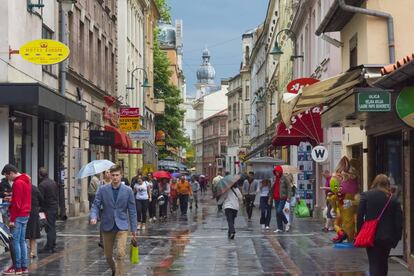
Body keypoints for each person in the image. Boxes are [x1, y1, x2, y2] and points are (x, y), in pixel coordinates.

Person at [90, 164, 137, 276]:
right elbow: (95, 204)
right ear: (110, 176)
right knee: (107, 256)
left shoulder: (128, 190)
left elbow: (132, 211)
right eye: (113, 175)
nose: (115, 177)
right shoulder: (102, 189)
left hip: (122, 226)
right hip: (107, 225)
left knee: (121, 254)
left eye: (117, 175)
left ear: (121, 176)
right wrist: (93, 216)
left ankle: (118, 274)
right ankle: (115, 269)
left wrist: (134, 229)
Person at [356, 174, 402, 276]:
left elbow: (359, 216)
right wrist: (396, 238)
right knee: (383, 262)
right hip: (388, 237)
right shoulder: (393, 199)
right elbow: (399, 221)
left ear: (374, 183)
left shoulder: (366, 196)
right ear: (387, 184)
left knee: (374, 263)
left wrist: (359, 233)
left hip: (371, 236)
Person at [1, 164, 32, 275]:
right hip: (25, 213)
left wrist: (12, 219)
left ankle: (17, 267)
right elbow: (23, 198)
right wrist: (13, 198)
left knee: (15, 242)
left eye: (7, 176)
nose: (8, 179)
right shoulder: (26, 180)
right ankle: (24, 267)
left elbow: (17, 204)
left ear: (11, 173)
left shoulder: (17, 183)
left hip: (18, 215)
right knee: (22, 241)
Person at [38, 167, 59, 254]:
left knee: (49, 227)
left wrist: (40, 208)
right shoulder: (53, 182)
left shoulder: (42, 185)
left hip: (48, 208)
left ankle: (49, 246)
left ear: (40, 175)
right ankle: (52, 245)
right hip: (54, 207)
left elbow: (40, 198)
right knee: (52, 226)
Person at [269, 165, 291, 233]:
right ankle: (280, 228)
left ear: (280, 171)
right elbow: (272, 189)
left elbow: (289, 187)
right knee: (277, 213)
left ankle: (287, 223)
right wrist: (270, 198)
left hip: (282, 197)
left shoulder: (284, 178)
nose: (276, 173)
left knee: (279, 211)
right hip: (276, 197)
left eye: (277, 171)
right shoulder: (275, 178)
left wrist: (288, 197)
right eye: (275, 172)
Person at [25, 183, 43, 258]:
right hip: (33, 211)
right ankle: (32, 251)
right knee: (32, 233)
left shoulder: (21, 187)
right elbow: (41, 200)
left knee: (22, 233)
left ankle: (24, 251)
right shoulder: (34, 188)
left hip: (24, 211)